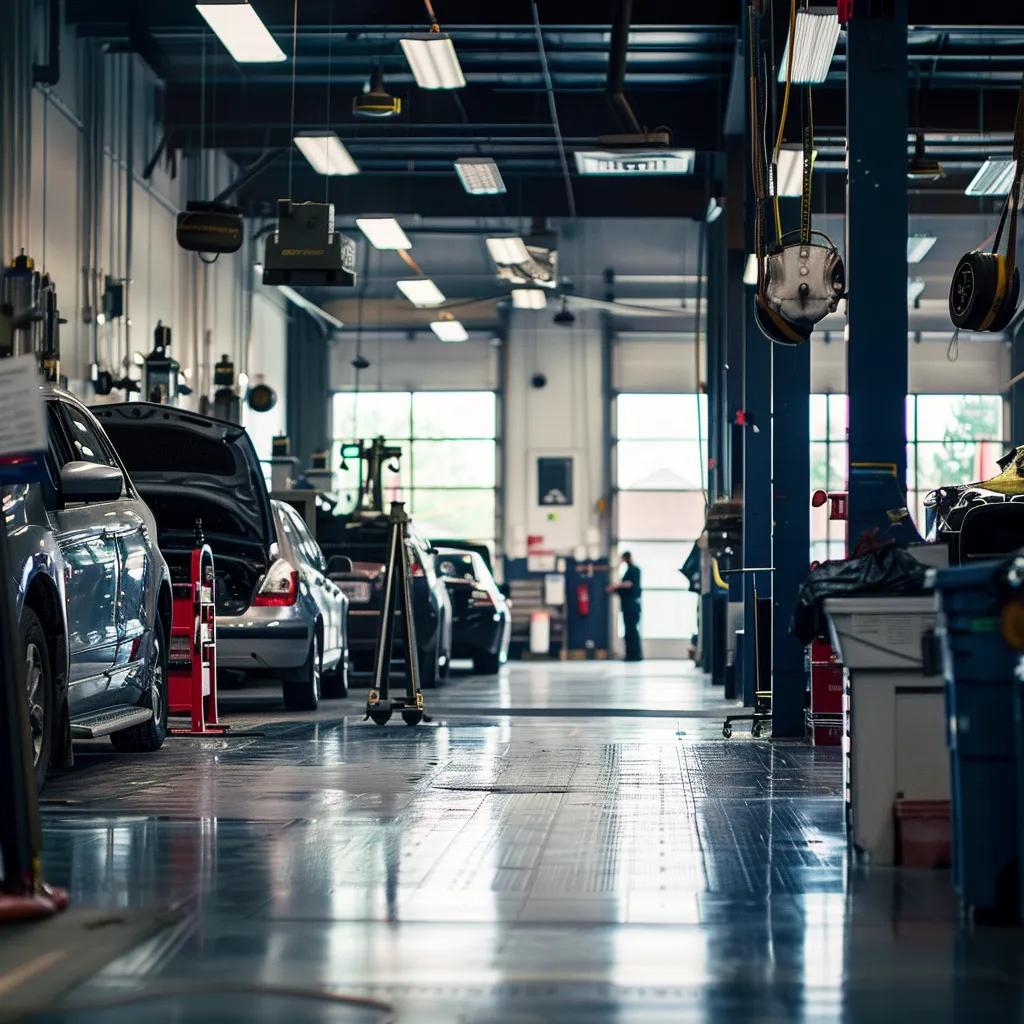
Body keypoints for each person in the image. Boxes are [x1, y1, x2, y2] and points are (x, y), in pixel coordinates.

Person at [607, 551, 643, 662]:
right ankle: (632, 654)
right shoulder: (630, 570)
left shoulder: (634, 570)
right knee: (630, 630)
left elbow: (629, 584)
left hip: (631, 606)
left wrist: (616, 586)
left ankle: (634, 655)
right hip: (629, 605)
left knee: (631, 630)